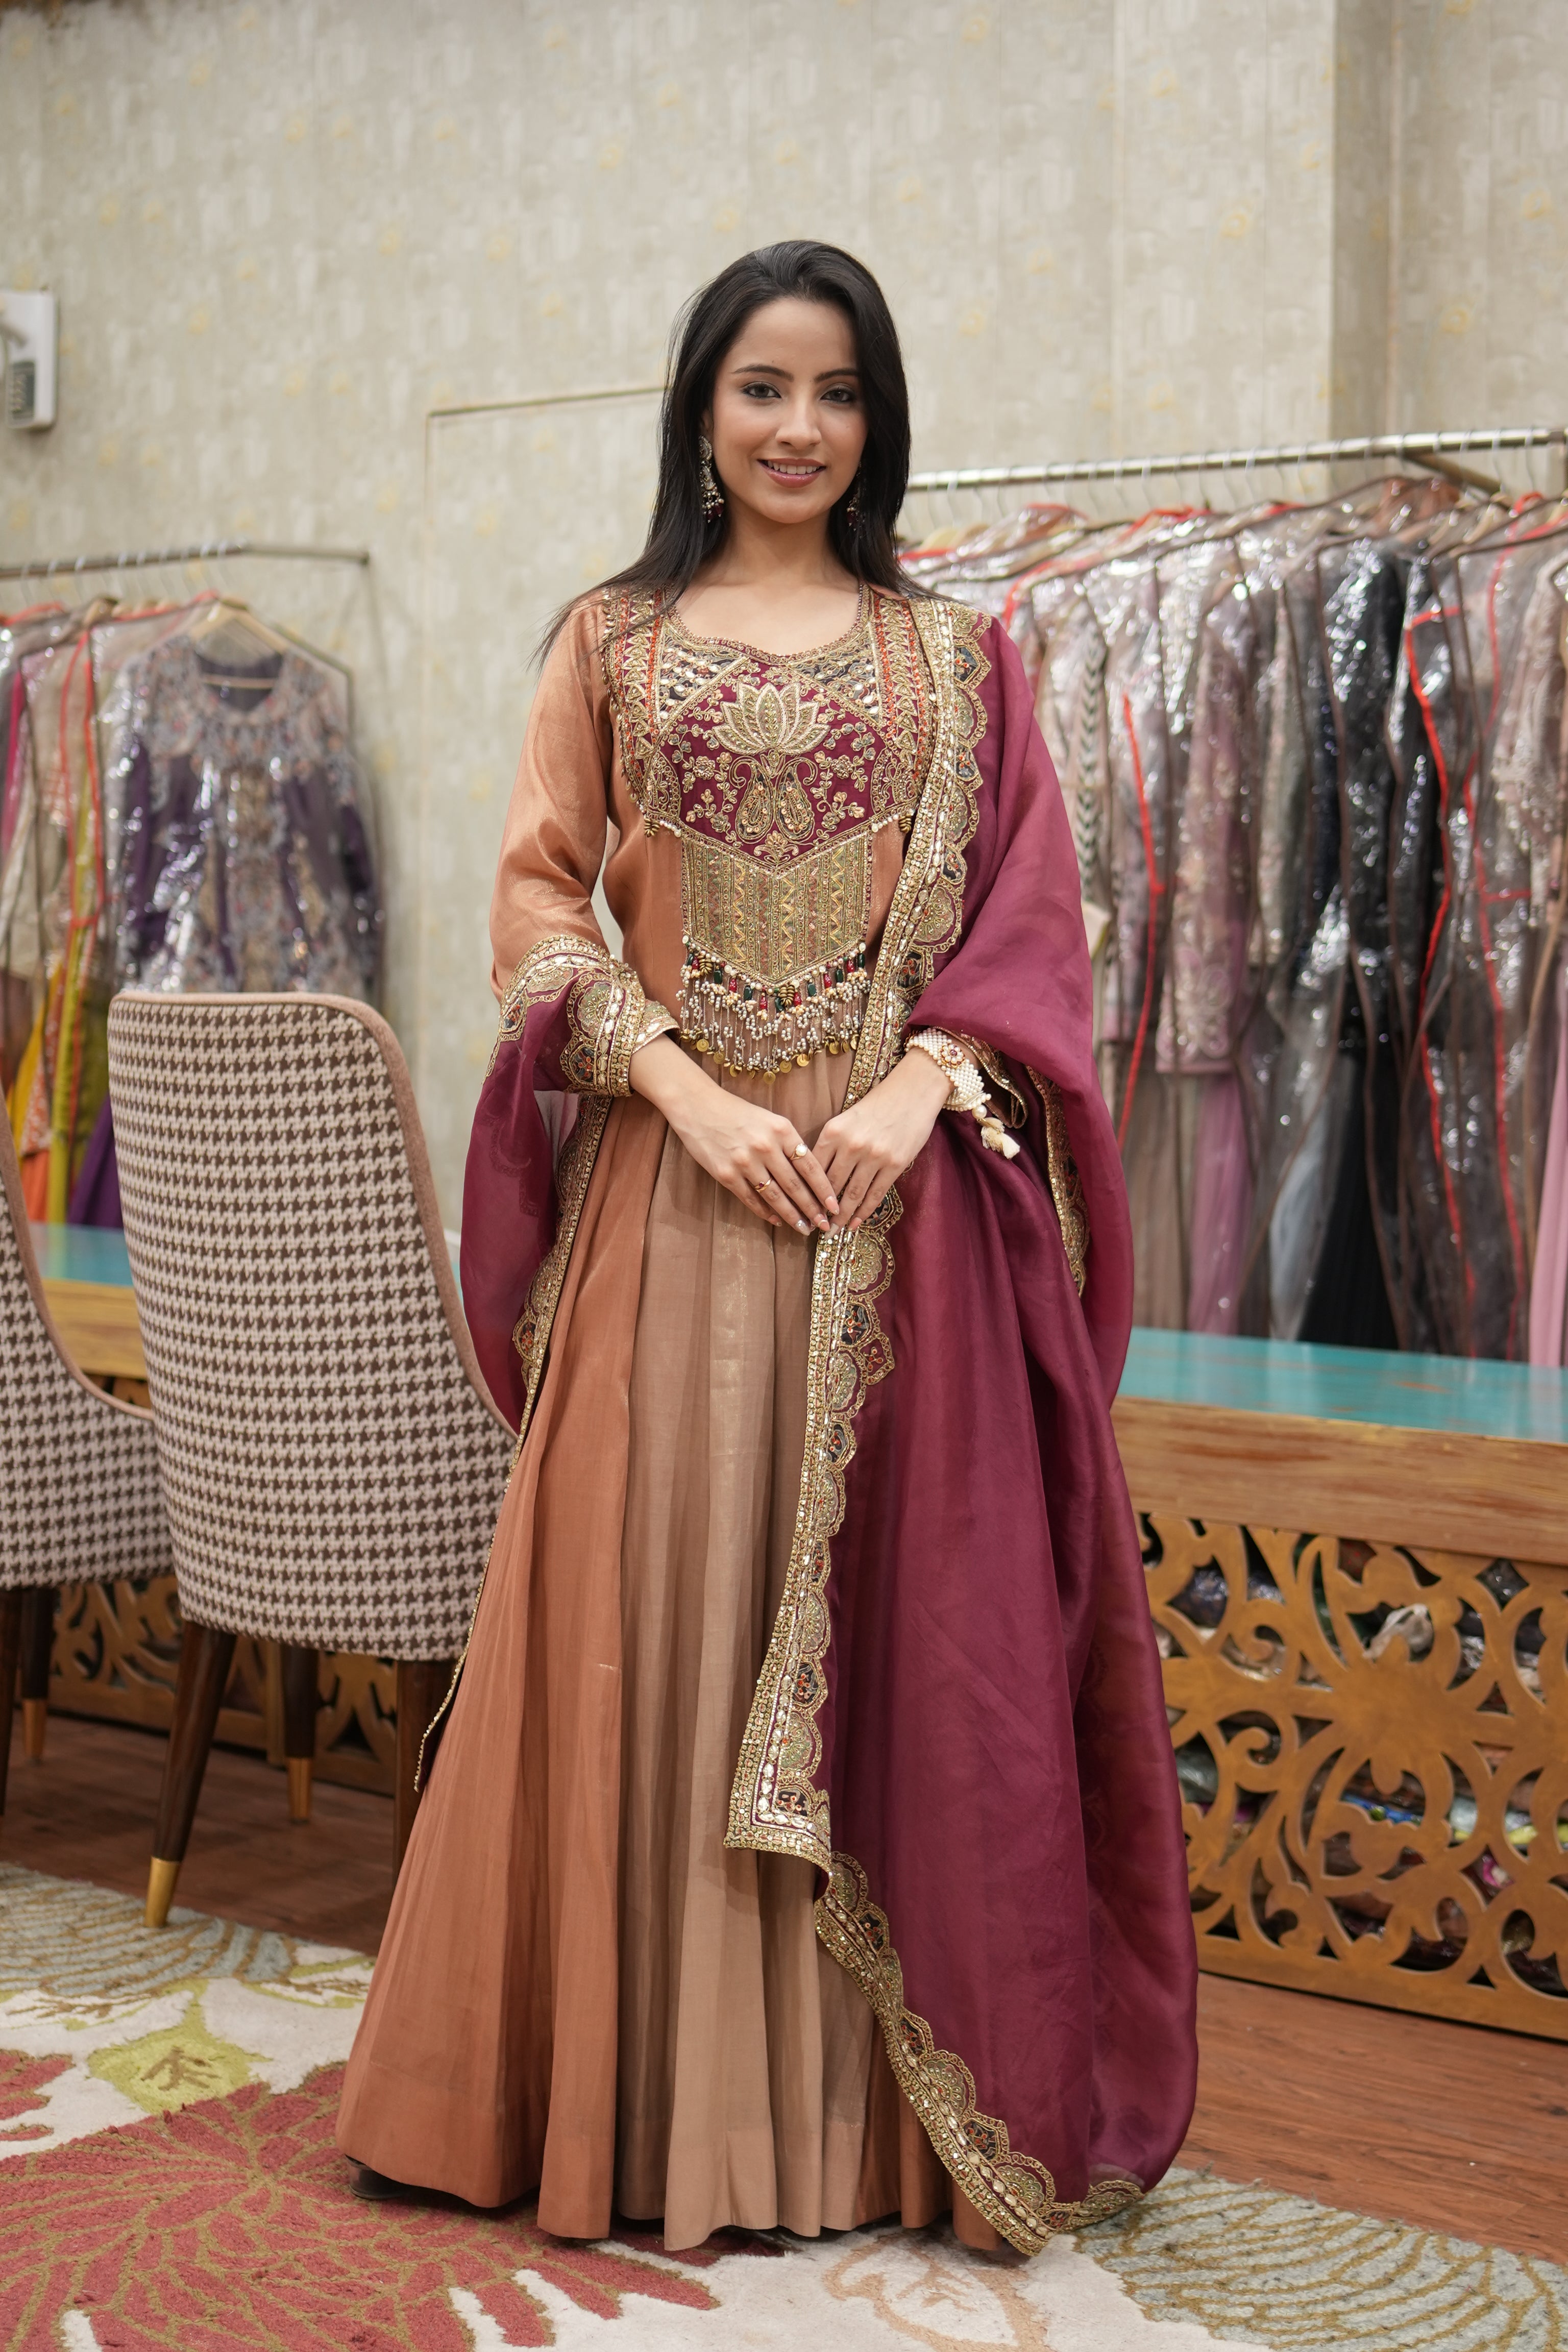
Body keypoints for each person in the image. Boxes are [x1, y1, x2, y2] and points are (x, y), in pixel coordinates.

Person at [337, 239, 1196, 2256]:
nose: (801, 426)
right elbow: (541, 913)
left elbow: (1029, 932)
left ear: (877, 418)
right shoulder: (612, 644)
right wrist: (694, 1098)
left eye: (838, 391)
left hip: (905, 1241)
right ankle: (630, 2120)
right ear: (699, 412)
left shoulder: (961, 656)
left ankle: (862, 2141)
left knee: (922, 1647)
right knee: (646, 1634)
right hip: (675, 1204)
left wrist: (915, 1091)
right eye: (761, 388)